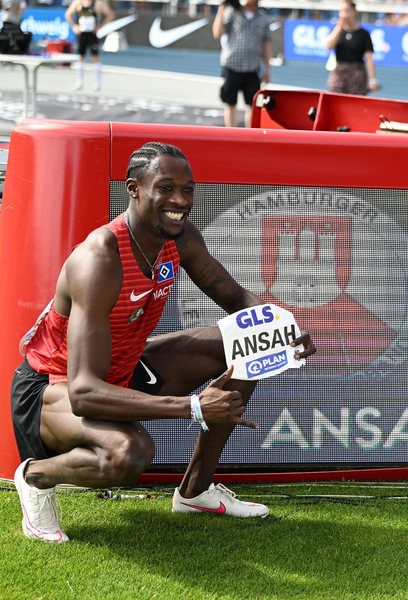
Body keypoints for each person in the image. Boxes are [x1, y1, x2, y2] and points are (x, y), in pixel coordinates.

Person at [11, 142, 317, 543]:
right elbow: (84, 392)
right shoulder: (100, 259)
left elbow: (238, 300)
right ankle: (35, 477)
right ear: (134, 189)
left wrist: (281, 327)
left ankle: (196, 492)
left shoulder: (181, 237)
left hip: (125, 370)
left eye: (188, 189)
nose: (179, 200)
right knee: (130, 454)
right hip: (54, 390)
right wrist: (192, 406)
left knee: (257, 339)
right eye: (165, 187)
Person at [211, 0, 272, 127]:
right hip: (232, 65)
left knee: (253, 104)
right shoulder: (232, 12)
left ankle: (248, 136)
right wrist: (222, 7)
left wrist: (267, 70)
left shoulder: (262, 18)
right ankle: (231, 134)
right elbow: (217, 33)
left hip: (252, 68)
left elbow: (266, 45)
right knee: (230, 103)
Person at [324, 0, 379, 96]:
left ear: (354, 12)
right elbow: (328, 45)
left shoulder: (363, 34)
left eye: (347, 10)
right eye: (341, 11)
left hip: (357, 73)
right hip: (339, 71)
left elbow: (369, 58)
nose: (344, 14)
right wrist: (339, 26)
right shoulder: (337, 30)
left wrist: (372, 79)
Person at [65, 0, 114, 91]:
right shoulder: (78, 3)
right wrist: (74, 26)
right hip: (82, 35)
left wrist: (100, 27)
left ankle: (97, 83)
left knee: (95, 57)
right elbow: (68, 14)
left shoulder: (98, 3)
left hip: (92, 34)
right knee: (80, 57)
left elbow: (110, 15)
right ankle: (79, 82)